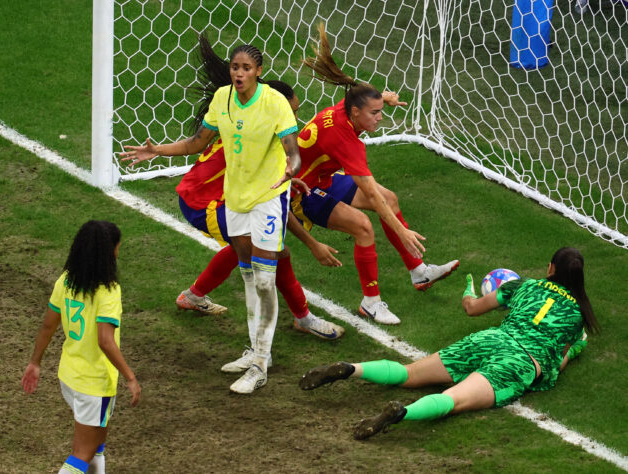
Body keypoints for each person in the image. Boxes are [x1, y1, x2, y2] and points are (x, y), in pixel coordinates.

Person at [121, 40, 303, 394]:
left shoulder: (274, 102)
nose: (239, 73)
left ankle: (261, 366)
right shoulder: (222, 99)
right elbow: (197, 143)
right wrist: (156, 150)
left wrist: (289, 172)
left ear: (258, 72)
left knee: (266, 280)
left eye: (246, 68)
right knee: (249, 278)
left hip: (268, 198)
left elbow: (293, 153)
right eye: (235, 67)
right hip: (234, 200)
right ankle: (254, 350)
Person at [299, 247, 598, 440]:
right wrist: (575, 349)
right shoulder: (577, 316)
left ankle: (352, 368)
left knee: (408, 374)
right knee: (453, 400)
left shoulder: (524, 285)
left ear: (550, 269)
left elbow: (472, 308)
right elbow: (555, 362)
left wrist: (468, 291)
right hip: (518, 363)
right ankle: (402, 413)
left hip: (490, 339)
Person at [172, 35, 344, 346]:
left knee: (246, 247)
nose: (293, 121)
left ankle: (193, 296)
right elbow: (278, 211)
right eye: (289, 113)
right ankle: (304, 318)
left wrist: (288, 178)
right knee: (276, 252)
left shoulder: (253, 126)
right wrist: (313, 243)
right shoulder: (255, 134)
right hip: (203, 203)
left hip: (205, 195)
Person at [292, 24, 459, 325]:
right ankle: (371, 302)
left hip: (321, 180)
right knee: (364, 226)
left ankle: (418, 273)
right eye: (376, 113)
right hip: (300, 194)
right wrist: (402, 230)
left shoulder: (349, 107)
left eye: (381, 111)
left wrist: (386, 99)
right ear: (356, 113)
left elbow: (367, 99)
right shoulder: (346, 140)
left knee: (390, 199)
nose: (380, 118)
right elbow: (367, 191)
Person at [21, 220, 141, 473]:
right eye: (118, 247)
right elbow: (105, 341)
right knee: (82, 453)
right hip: (93, 384)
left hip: (69, 377)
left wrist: (35, 362)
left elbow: (47, 327)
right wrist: (130, 377)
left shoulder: (65, 281)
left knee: (97, 445)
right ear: (110, 252)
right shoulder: (108, 291)